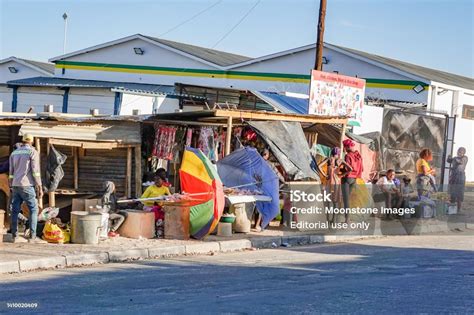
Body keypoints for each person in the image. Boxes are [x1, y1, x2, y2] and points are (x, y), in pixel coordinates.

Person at [8, 134, 44, 243]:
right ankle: (32, 237)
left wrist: (11, 184)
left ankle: (14, 236)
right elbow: (35, 171)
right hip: (27, 185)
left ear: (23, 141)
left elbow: (11, 172)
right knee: (33, 209)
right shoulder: (32, 152)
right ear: (32, 142)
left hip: (15, 185)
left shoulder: (14, 153)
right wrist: (39, 186)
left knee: (15, 210)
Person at [318, 147, 352, 221]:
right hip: (337, 182)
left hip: (329, 181)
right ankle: (334, 219)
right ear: (339, 153)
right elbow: (350, 169)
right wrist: (342, 175)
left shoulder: (328, 159)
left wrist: (325, 175)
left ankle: (327, 219)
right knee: (335, 202)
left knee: (327, 201)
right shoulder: (340, 161)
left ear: (332, 152)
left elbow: (319, 166)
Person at [341, 139, 363, 223]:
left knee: (346, 199)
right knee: (349, 199)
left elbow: (348, 169)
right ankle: (351, 217)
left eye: (345, 147)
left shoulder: (348, 156)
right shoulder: (359, 155)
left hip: (347, 179)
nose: (344, 149)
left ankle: (347, 219)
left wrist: (341, 173)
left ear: (347, 147)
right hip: (355, 179)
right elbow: (362, 169)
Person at [447, 147, 468, 211]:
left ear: (463, 153)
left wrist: (454, 158)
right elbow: (449, 161)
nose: (459, 153)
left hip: (460, 178)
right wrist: (449, 157)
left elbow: (459, 162)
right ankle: (452, 207)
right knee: (452, 192)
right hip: (453, 177)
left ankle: (459, 208)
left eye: (460, 152)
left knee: (459, 193)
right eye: (458, 152)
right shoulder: (455, 158)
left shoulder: (465, 158)